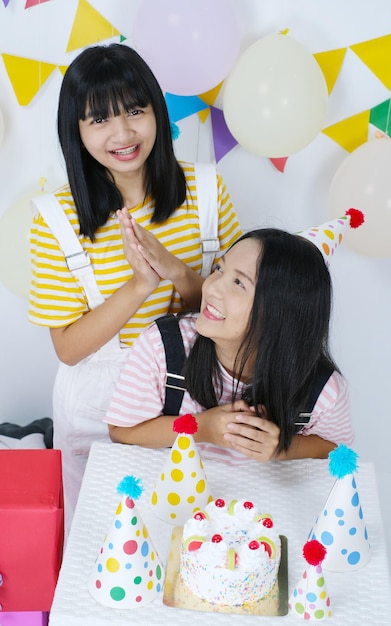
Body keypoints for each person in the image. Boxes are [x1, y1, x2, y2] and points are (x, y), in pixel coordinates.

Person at [28, 43, 241, 531]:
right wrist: (139, 286)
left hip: (198, 387)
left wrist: (176, 270)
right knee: (100, 544)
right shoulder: (56, 219)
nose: (122, 134)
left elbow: (236, 317)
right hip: (99, 400)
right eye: (98, 120)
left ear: (156, 113)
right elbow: (67, 347)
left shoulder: (208, 191)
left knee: (196, 538)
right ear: (76, 132)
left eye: (135, 111)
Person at [105, 227, 354, 462]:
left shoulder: (322, 391)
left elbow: (339, 451)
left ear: (281, 316)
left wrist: (282, 447)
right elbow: (121, 431)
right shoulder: (162, 348)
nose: (212, 287)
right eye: (219, 269)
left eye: (239, 283)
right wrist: (201, 427)